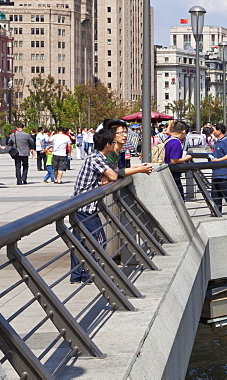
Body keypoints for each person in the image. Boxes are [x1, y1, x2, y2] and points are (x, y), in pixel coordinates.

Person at [70, 119, 153, 284]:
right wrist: (139, 169)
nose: (124, 136)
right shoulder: (98, 158)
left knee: (80, 240)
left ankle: (79, 275)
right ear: (109, 142)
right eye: (120, 133)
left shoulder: (102, 156)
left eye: (124, 132)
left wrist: (108, 176)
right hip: (85, 206)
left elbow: (110, 175)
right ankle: (88, 274)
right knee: (97, 239)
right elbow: (114, 174)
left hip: (85, 205)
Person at [208, 124, 227, 213]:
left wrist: (218, 160)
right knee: (215, 194)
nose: (213, 132)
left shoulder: (226, 142)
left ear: (219, 131)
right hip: (216, 172)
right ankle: (216, 212)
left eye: (214, 130)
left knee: (226, 193)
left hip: (223, 172)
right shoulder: (218, 142)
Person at [163, 120, 193, 195]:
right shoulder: (176, 143)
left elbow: (168, 132)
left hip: (166, 171)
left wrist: (170, 125)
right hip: (173, 173)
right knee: (179, 195)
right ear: (183, 131)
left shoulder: (169, 139)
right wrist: (187, 158)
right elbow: (174, 160)